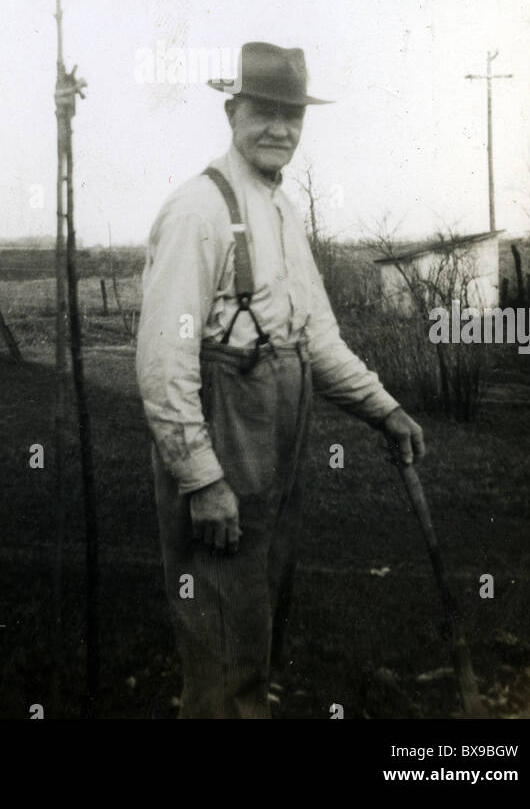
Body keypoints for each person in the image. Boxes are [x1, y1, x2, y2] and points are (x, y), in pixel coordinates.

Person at [135, 42, 425, 719]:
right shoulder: (198, 210)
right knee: (218, 616)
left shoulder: (282, 210)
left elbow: (315, 337)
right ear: (233, 112)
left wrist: (385, 410)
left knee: (257, 605)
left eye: (293, 116)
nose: (280, 130)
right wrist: (202, 479)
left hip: (279, 429)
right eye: (265, 112)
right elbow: (162, 361)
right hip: (225, 429)